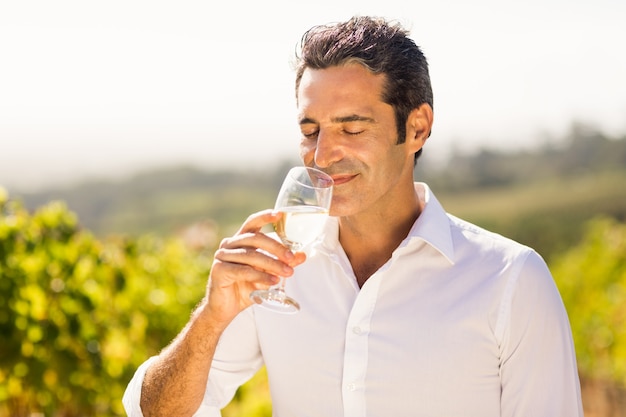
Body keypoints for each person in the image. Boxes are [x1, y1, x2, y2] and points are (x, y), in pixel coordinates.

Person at [123, 15, 583, 417]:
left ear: (417, 127)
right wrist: (211, 318)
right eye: (310, 130)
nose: (322, 155)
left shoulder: (510, 280)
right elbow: (155, 412)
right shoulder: (276, 273)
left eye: (353, 127)